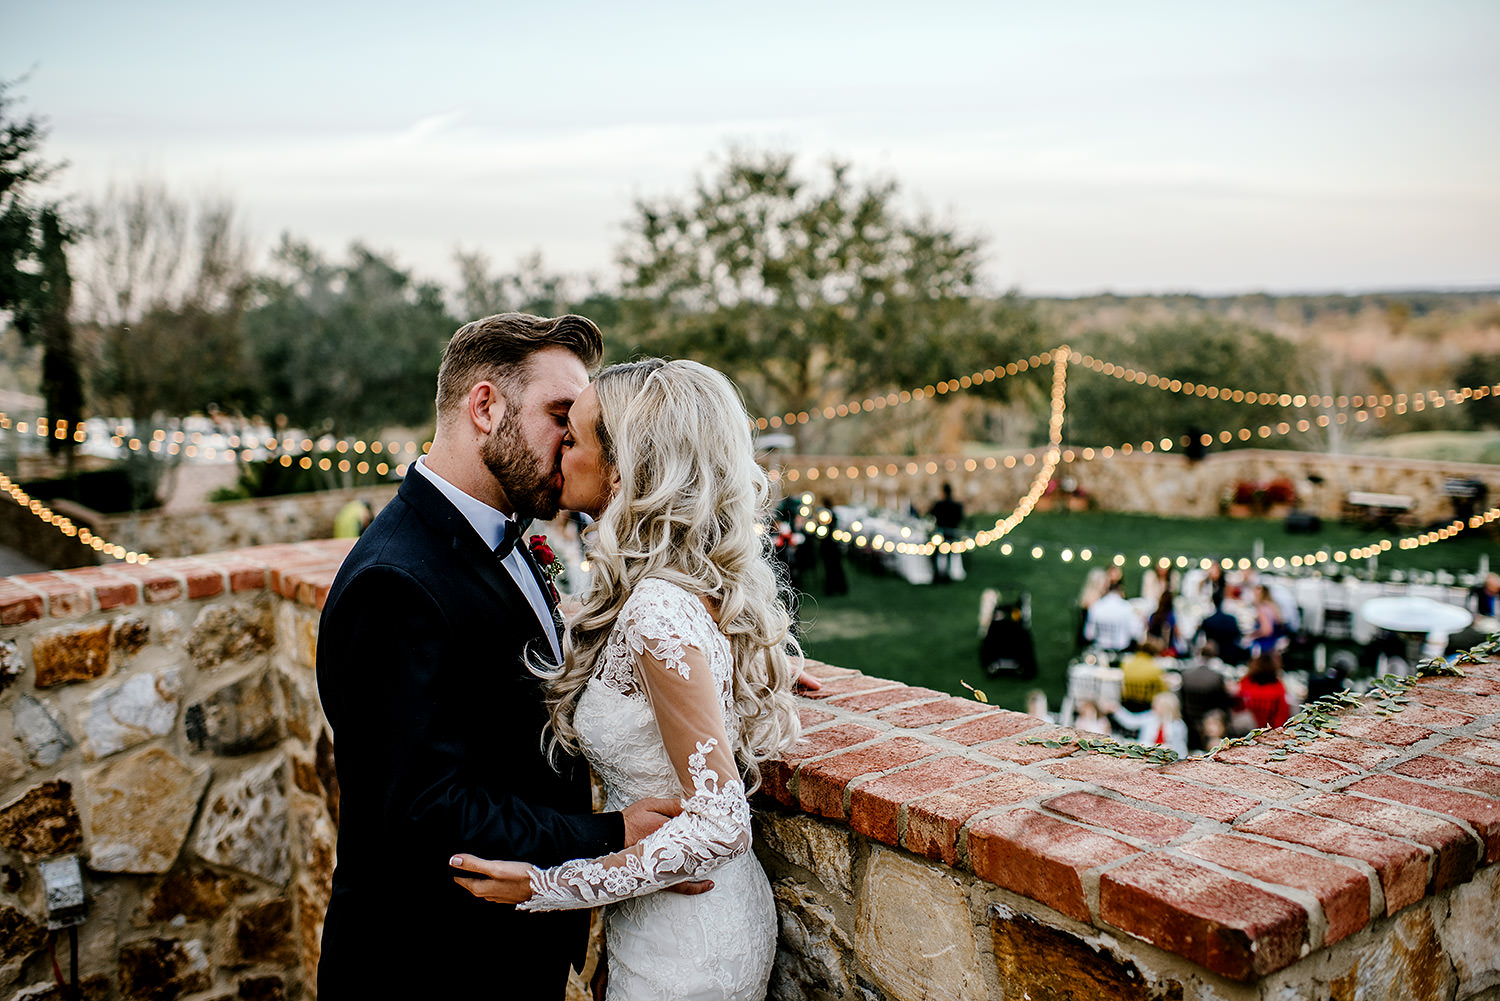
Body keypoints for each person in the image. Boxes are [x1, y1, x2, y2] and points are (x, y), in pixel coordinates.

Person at [315, 315, 691, 999]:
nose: (575, 440)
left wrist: (708, 659)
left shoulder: (502, 530)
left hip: (510, 948)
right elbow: (430, 809)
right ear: (485, 407)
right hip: (430, 964)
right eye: (558, 415)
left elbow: (526, 665)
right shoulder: (392, 582)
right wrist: (611, 833)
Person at [449, 359, 803, 1000]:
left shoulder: (660, 609)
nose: (560, 449)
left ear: (625, 467)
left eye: (575, 437)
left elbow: (722, 823)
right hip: (657, 918)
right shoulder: (656, 594)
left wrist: (546, 886)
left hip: (691, 944)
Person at [1104, 692, 1188, 758]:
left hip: (1167, 757)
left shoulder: (1178, 725)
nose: (1154, 707)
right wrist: (1117, 709)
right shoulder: (1150, 717)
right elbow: (1131, 721)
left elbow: (1180, 747)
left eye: (1157, 705)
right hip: (1147, 754)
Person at [1083, 578, 1144, 653]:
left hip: (1099, 651)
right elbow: (1135, 633)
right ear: (1121, 591)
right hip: (1121, 652)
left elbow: (1089, 635)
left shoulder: (1095, 607)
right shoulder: (1127, 608)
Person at [929, 482, 965, 582]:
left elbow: (931, 514)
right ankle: (947, 573)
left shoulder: (939, 504)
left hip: (940, 534)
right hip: (952, 534)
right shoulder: (957, 505)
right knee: (949, 554)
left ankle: (937, 574)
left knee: (935, 553)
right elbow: (960, 518)